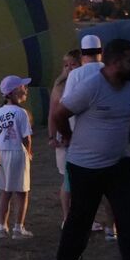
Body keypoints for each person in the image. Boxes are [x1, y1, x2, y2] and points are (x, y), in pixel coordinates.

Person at [49, 39, 130, 260]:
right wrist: (67, 137)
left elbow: (127, 116)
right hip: (85, 167)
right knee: (80, 220)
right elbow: (59, 114)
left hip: (119, 165)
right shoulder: (92, 86)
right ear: (114, 62)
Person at [61, 36, 116, 239]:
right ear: (101, 51)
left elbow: (66, 105)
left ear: (83, 54)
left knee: (81, 188)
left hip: (82, 138)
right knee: (108, 188)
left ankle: (80, 227)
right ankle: (111, 229)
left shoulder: (76, 74)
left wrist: (67, 134)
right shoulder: (110, 71)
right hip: (108, 137)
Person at [0, 75, 34, 240]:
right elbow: (26, 137)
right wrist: (29, 152)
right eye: (22, 87)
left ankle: (2, 227)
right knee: (22, 191)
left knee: (6, 191)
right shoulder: (21, 112)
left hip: (1, 152)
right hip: (17, 151)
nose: (25, 90)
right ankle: (18, 227)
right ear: (14, 91)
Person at [49, 50, 80, 226]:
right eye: (66, 65)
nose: (69, 68)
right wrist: (52, 136)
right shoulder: (60, 87)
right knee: (68, 179)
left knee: (78, 180)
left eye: (73, 64)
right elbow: (52, 114)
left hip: (80, 135)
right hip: (66, 138)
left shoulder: (84, 84)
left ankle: (79, 216)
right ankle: (68, 217)